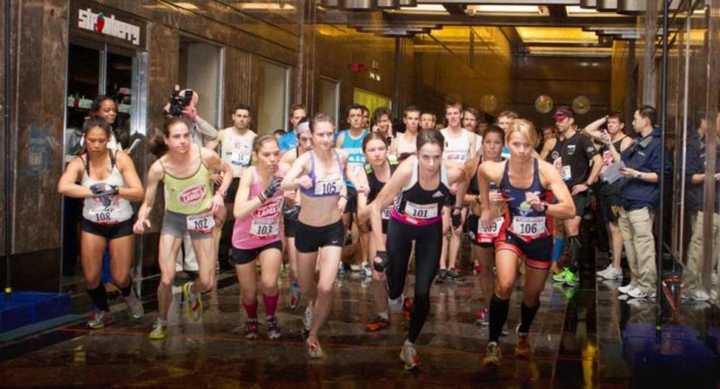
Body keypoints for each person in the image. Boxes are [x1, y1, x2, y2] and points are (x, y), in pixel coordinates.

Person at [366, 129, 470, 370]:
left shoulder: (452, 171)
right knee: (395, 286)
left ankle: (410, 344)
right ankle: (396, 296)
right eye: (425, 157)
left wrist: (456, 206)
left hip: (429, 231)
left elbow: (464, 176)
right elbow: (375, 207)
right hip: (400, 227)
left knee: (423, 291)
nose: (431, 164)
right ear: (417, 154)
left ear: (443, 154)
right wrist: (380, 251)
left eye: (436, 157)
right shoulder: (406, 171)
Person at [477, 119, 575, 366]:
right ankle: (493, 343)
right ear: (508, 144)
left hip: (540, 240)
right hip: (511, 235)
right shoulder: (496, 169)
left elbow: (570, 209)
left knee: (532, 296)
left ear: (535, 144)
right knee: (505, 283)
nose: (521, 150)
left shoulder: (546, 171)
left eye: (526, 145)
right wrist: (487, 208)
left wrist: (546, 206)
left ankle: (523, 333)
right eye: (516, 144)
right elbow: (481, 173)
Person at [134, 117, 232, 340]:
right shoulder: (159, 168)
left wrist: (219, 194)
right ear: (167, 141)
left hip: (201, 218)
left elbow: (229, 171)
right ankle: (161, 320)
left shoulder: (205, 156)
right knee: (167, 278)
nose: (183, 141)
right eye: (177, 137)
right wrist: (141, 219)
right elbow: (148, 202)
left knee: (207, 282)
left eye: (186, 135)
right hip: (174, 220)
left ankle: (191, 291)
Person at [57, 117, 145, 328]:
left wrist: (115, 190)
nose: (96, 145)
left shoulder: (121, 159)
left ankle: (129, 294)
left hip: (120, 223)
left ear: (108, 140)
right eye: (92, 140)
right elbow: (63, 186)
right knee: (91, 277)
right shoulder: (79, 162)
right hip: (92, 224)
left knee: (120, 276)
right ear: (84, 139)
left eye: (101, 140)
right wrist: (93, 190)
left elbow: (139, 192)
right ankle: (102, 310)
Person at [281, 113, 354, 358]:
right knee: (305, 286)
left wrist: (345, 194)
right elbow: (283, 184)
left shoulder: (340, 156)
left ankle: (313, 335)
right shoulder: (306, 161)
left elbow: (344, 181)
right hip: (307, 230)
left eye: (329, 133)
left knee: (326, 286)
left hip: (333, 228)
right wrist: (297, 182)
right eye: (320, 134)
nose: (325, 138)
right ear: (311, 137)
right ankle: (311, 305)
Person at [231, 135, 286, 339]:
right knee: (249, 292)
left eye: (276, 153)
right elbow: (238, 211)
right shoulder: (249, 175)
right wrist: (264, 196)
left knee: (270, 283)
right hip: (244, 240)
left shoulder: (284, 173)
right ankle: (252, 318)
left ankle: (271, 317)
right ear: (255, 156)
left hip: (270, 237)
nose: (272, 158)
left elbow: (297, 189)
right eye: (266, 154)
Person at [614, 106, 666, 299]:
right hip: (626, 199)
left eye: (635, 118)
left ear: (646, 120)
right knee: (630, 244)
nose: (633, 122)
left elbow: (661, 175)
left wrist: (636, 174)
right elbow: (622, 161)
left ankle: (647, 286)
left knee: (643, 244)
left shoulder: (657, 144)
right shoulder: (637, 142)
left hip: (642, 201)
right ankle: (636, 281)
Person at [547, 106, 602, 287]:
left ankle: (573, 272)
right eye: (556, 119)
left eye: (562, 119)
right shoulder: (560, 142)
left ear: (571, 120)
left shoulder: (582, 139)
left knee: (573, 228)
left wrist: (587, 183)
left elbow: (598, 161)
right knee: (566, 230)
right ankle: (569, 269)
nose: (558, 122)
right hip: (563, 192)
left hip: (577, 192)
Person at [352, 133, 398, 331]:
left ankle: (399, 297)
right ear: (365, 154)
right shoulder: (364, 173)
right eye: (372, 150)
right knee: (377, 271)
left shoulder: (398, 169)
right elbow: (361, 216)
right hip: (377, 229)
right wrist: (373, 203)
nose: (377, 154)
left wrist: (375, 204)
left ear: (387, 150)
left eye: (380, 149)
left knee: (397, 272)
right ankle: (382, 314)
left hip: (401, 227)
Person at [204, 105, 257, 267]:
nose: (241, 119)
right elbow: (204, 153)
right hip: (225, 180)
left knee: (240, 220)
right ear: (233, 116)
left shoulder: (254, 137)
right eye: (239, 115)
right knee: (219, 220)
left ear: (249, 119)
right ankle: (214, 260)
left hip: (243, 181)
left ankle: (236, 256)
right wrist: (209, 174)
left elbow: (256, 161)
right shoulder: (223, 134)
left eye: (245, 116)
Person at [582, 113, 633, 281]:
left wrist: (610, 144)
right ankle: (613, 263)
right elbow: (588, 130)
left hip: (617, 187)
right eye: (609, 123)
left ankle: (617, 266)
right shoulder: (605, 137)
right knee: (609, 226)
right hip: (604, 185)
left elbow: (621, 162)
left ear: (622, 125)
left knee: (616, 227)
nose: (610, 125)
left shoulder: (626, 141)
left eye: (614, 123)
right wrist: (604, 118)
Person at [464, 126, 505, 325]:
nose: (492, 147)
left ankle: (501, 307)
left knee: (505, 271)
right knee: (486, 268)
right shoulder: (473, 165)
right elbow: (459, 195)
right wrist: (478, 197)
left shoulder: (509, 166)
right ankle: (491, 309)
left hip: (503, 223)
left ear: (503, 145)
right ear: (482, 144)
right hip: (480, 223)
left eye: (496, 143)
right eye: (488, 142)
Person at [439, 102, 480, 282]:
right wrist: (451, 178)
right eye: (450, 113)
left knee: (457, 228)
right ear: (446, 116)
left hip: (463, 186)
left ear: (461, 115)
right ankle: (441, 266)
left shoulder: (471, 137)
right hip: (445, 184)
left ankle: (452, 265)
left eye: (456, 113)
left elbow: (472, 163)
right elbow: (438, 158)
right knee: (443, 228)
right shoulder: (439, 135)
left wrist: (463, 177)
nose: (453, 116)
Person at [279, 120, 313, 309]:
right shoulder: (289, 158)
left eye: (311, 139)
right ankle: (294, 285)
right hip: (294, 212)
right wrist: (288, 194)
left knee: (314, 267)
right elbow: (283, 184)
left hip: (317, 213)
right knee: (294, 266)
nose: (308, 144)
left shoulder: (323, 156)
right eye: (303, 140)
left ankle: (311, 305)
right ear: (297, 139)